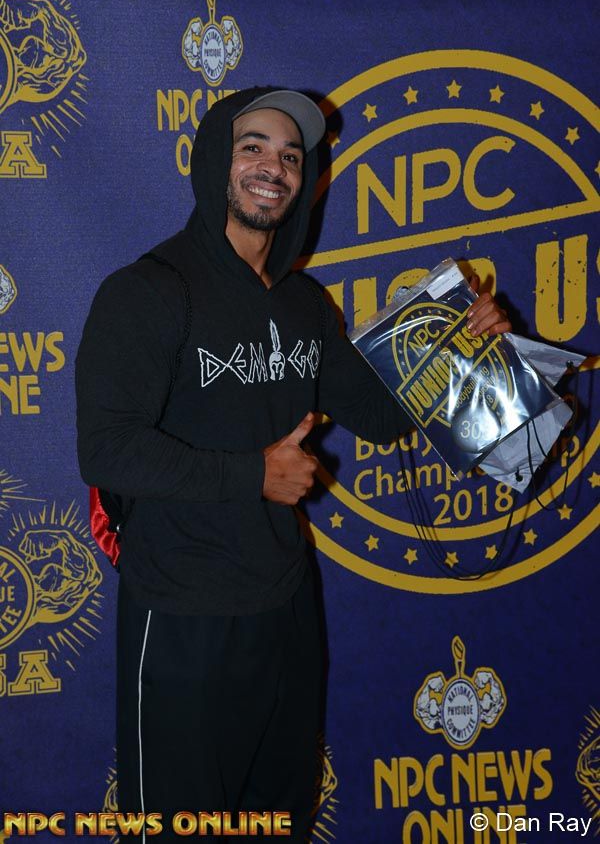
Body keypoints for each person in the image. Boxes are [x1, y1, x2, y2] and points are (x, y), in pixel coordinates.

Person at [75, 87, 510, 841]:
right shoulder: (147, 291)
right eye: (253, 147)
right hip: (182, 615)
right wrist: (254, 475)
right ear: (215, 159)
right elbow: (106, 449)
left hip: (284, 610)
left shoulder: (306, 305)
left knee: (279, 820)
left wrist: (460, 349)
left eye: (290, 156)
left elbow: (379, 415)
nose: (273, 167)